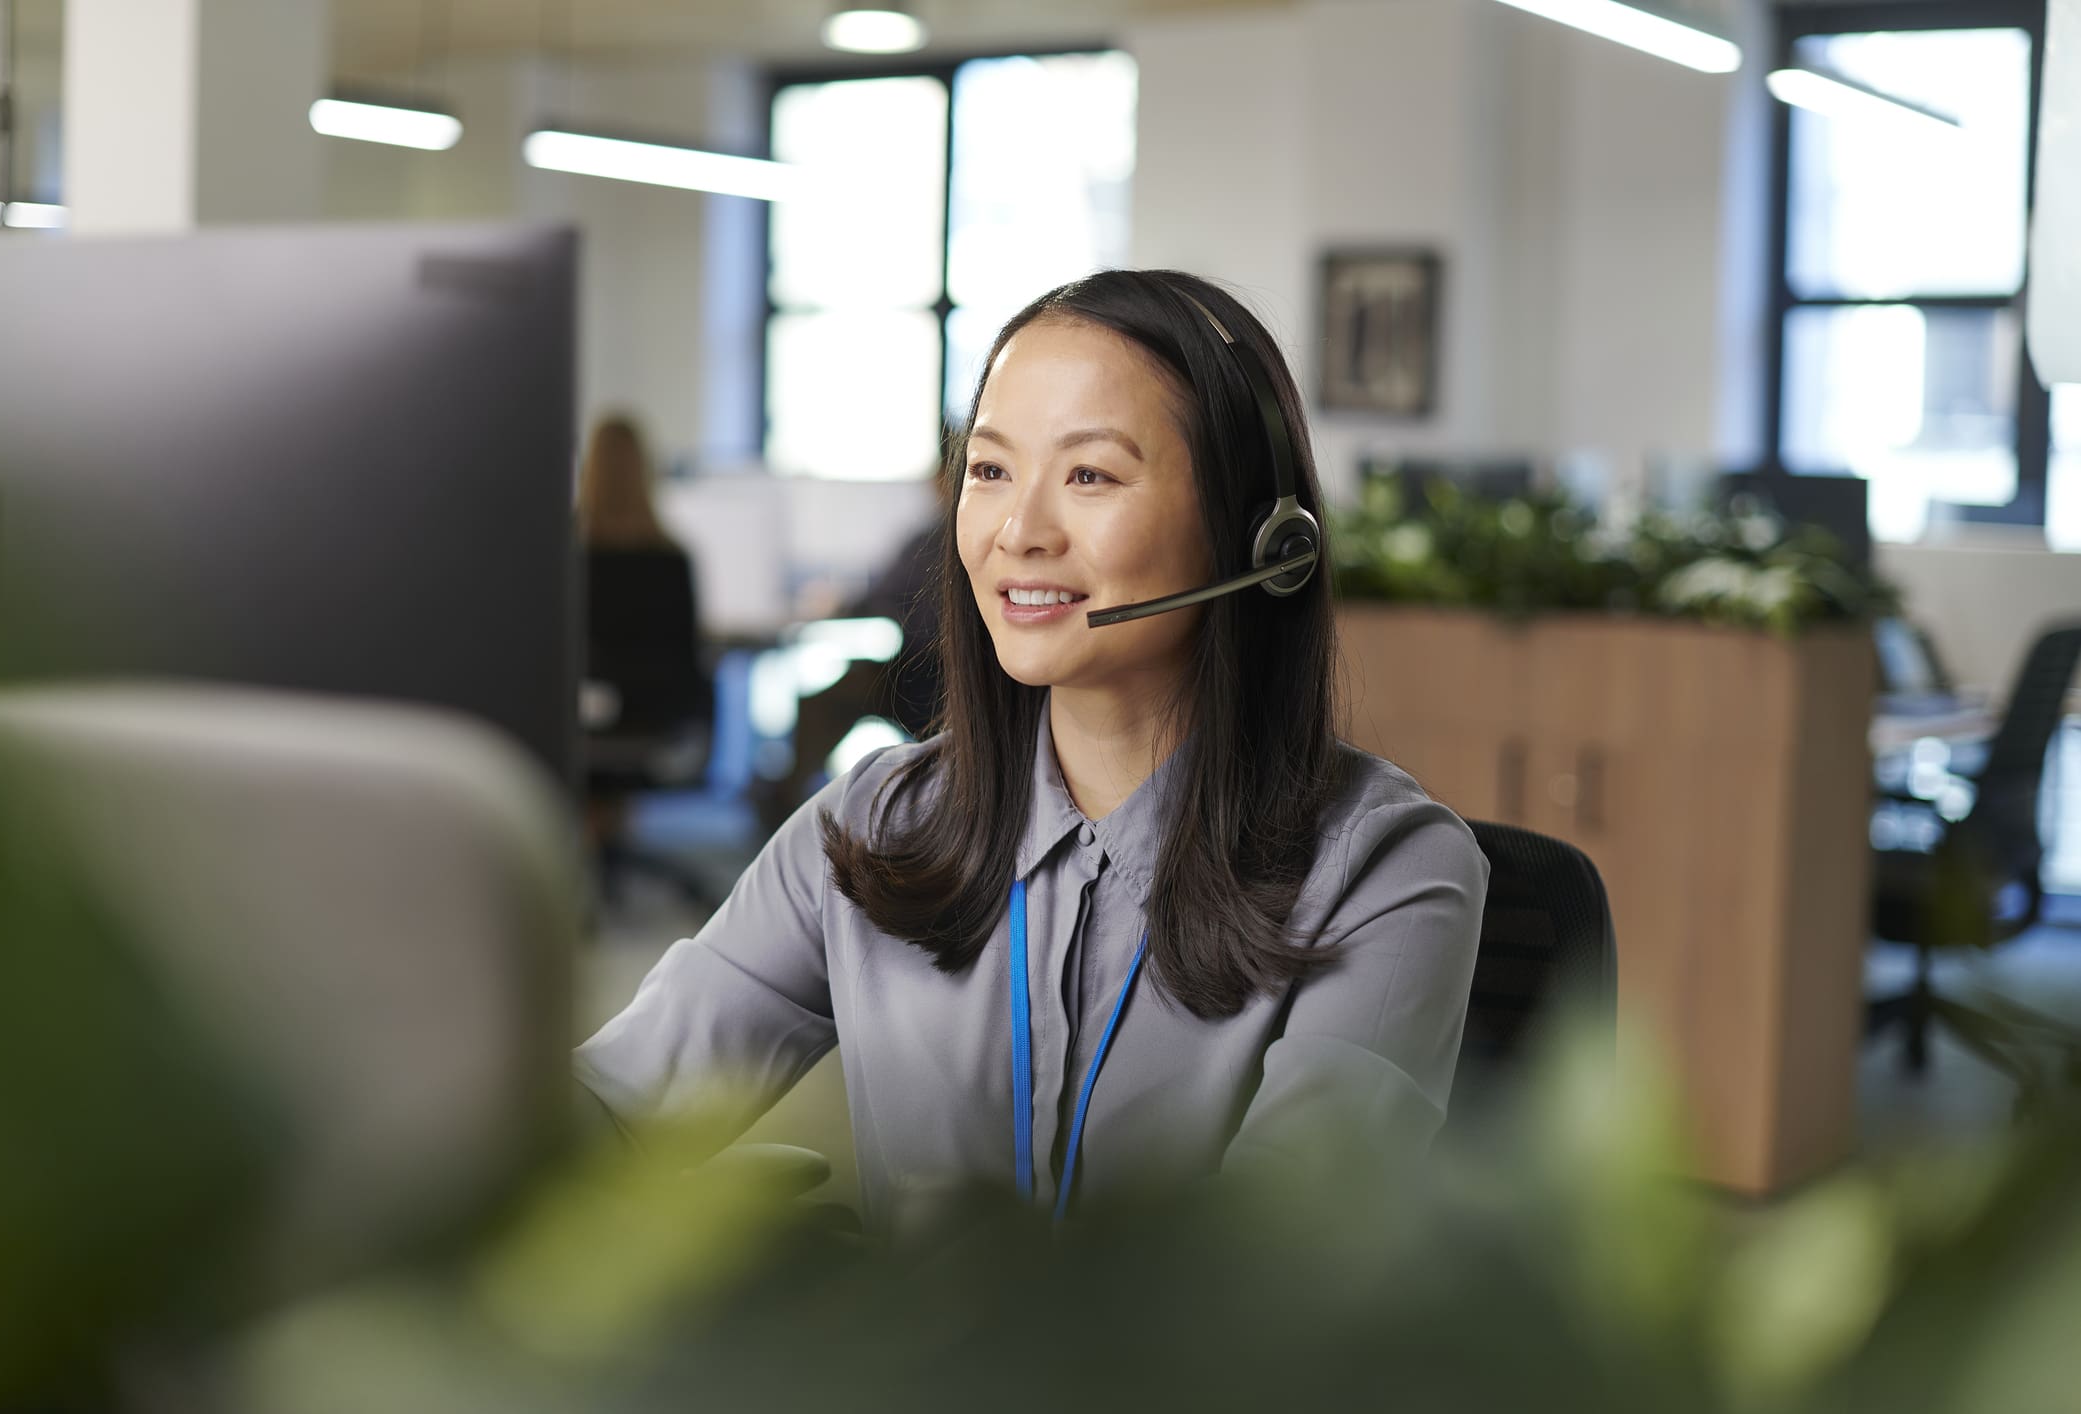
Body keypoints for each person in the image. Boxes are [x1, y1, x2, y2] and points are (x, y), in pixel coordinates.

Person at [576, 271, 1488, 1232]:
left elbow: (1272, 1276)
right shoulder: (876, 821)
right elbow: (621, 1093)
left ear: (1258, 535)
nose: (1018, 532)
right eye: (989, 470)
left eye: (1090, 475)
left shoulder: (1385, 870)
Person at [575, 415, 711, 864]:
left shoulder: (567, 557)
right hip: (660, 724)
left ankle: (596, 844)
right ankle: (608, 836)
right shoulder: (672, 559)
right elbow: (691, 660)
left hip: (585, 718)